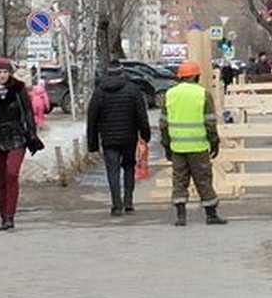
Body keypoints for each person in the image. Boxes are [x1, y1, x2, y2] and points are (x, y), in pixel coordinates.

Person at [0, 57, 44, 230]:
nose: (2, 75)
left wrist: (32, 135)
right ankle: (3, 217)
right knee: (1, 179)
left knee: (12, 174)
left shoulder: (18, 89)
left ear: (9, 73)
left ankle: (10, 216)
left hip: (17, 135)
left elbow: (28, 112)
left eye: (5, 72)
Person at [159, 59, 226, 226]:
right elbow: (210, 122)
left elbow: (163, 123)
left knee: (179, 180)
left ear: (180, 77)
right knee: (203, 179)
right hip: (198, 147)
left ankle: (181, 216)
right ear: (196, 76)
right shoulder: (202, 94)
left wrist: (166, 145)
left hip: (177, 147)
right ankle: (211, 215)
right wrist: (214, 142)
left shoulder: (170, 94)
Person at [86, 60, 152, 216]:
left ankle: (116, 205)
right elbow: (141, 116)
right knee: (129, 168)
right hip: (129, 138)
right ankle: (128, 202)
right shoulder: (132, 90)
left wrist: (93, 144)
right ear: (123, 72)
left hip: (108, 140)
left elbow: (92, 120)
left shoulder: (99, 92)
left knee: (112, 171)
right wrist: (145, 135)